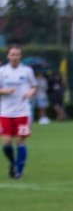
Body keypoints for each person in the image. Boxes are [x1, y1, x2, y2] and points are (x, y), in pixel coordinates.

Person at [0, 44, 37, 179]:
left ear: (20, 56)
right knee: (6, 143)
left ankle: (18, 171)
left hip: (22, 112)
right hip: (5, 112)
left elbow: (34, 86)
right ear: (8, 56)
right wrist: (5, 91)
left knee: (20, 141)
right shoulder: (2, 71)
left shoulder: (27, 71)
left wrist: (30, 92)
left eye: (17, 54)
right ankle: (12, 162)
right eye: (12, 54)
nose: (14, 57)